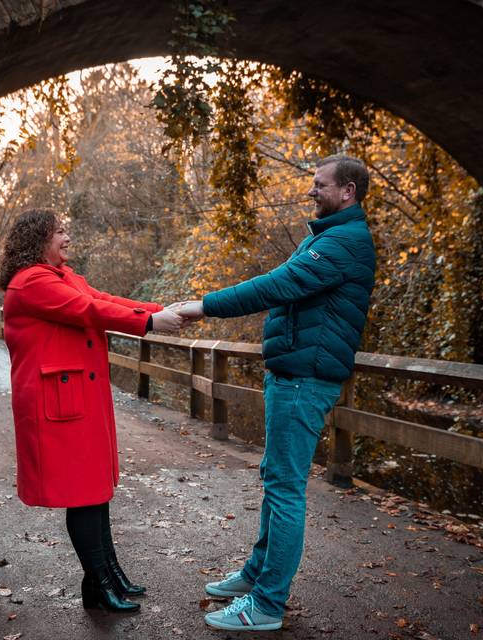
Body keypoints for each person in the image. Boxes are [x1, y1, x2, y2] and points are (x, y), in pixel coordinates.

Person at [176, 155, 376, 631]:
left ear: (347, 191)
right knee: (276, 480)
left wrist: (204, 306)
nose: (312, 191)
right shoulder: (326, 237)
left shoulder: (345, 241)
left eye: (319, 185)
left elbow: (277, 286)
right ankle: (256, 575)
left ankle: (266, 605)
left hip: (305, 379)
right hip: (291, 373)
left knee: (285, 489)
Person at [0, 208, 186, 613]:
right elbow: (90, 312)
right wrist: (151, 323)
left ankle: (108, 576)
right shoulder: (31, 283)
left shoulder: (62, 277)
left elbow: (102, 299)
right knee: (82, 494)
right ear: (38, 239)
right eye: (60, 231)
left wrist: (158, 309)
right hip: (57, 405)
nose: (68, 237)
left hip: (75, 399)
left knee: (95, 493)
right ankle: (99, 584)